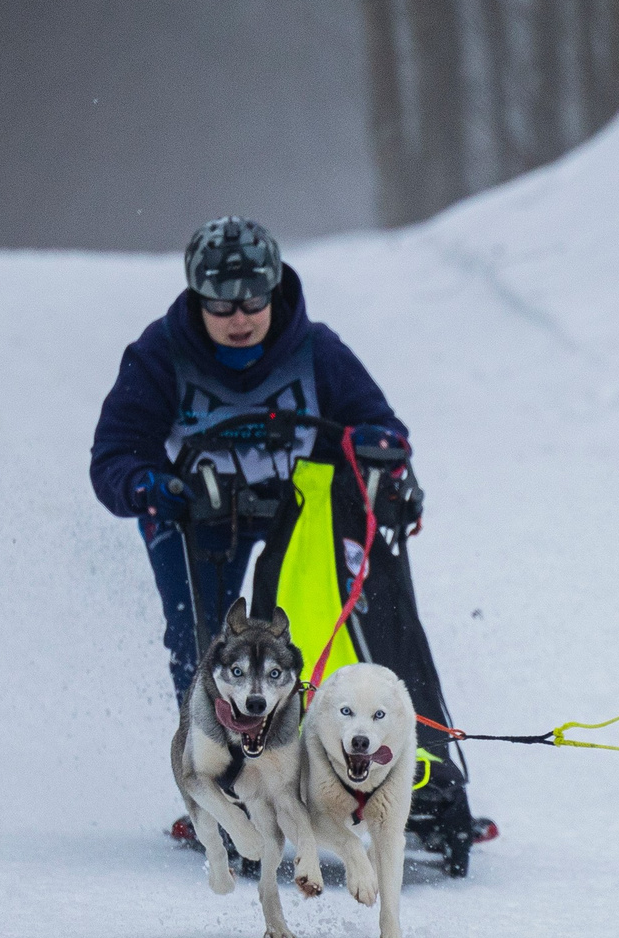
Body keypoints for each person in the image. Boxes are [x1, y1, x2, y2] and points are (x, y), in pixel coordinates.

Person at [89, 216, 409, 709]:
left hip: (298, 509)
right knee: (201, 643)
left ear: (273, 292)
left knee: (317, 625)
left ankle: (318, 739)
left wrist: (377, 451)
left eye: (253, 301)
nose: (239, 319)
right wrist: (147, 485)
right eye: (221, 304)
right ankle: (211, 758)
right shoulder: (159, 355)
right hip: (196, 512)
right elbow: (115, 452)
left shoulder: (318, 351)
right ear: (197, 298)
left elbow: (385, 429)